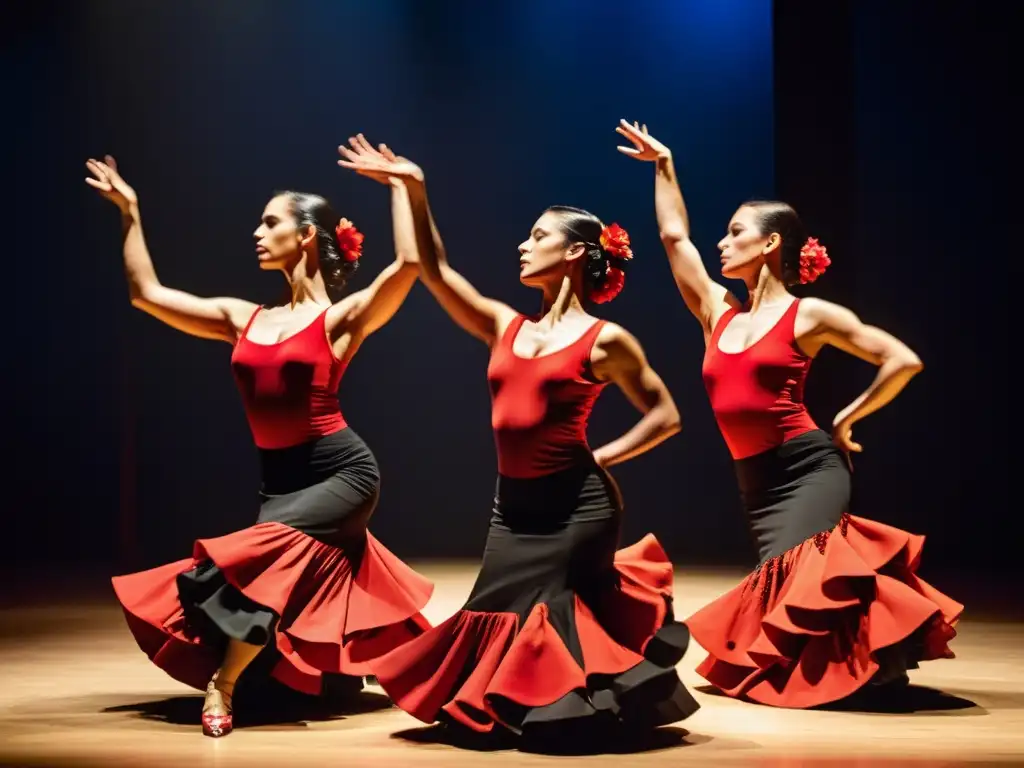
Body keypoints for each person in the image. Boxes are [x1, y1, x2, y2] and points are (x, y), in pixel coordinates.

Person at [335, 134, 700, 747]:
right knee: (496, 608)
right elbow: (434, 270)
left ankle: (576, 711)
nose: (522, 246)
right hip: (514, 508)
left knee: (552, 615)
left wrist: (601, 457)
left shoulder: (606, 340)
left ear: (577, 252)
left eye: (537, 237)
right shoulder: (505, 324)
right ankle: (517, 704)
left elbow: (666, 415)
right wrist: (414, 188)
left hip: (578, 508)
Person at [615, 119, 962, 708]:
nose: (722, 243)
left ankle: (870, 667)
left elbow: (901, 360)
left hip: (808, 467)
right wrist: (664, 165)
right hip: (757, 482)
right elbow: (676, 240)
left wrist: (846, 421)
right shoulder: (716, 312)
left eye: (735, 232)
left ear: (771, 243)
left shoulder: (808, 315)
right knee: (792, 579)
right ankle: (869, 665)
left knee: (805, 571)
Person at [85, 154, 433, 736]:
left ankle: (222, 685)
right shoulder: (241, 317)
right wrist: (131, 211)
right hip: (280, 482)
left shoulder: (339, 320)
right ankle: (339, 675)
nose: (257, 232)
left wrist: (405, 187)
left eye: (270, 222)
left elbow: (411, 263)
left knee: (262, 570)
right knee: (273, 599)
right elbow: (146, 293)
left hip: (341, 473)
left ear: (305, 237)